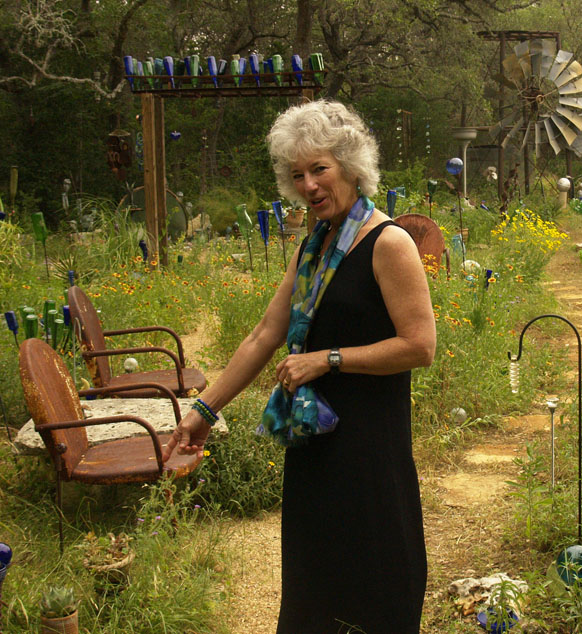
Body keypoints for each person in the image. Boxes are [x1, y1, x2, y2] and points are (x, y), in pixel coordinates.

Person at [163, 99, 436, 633]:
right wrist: (203, 409)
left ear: (351, 167)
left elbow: (419, 346)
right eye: (297, 175)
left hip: (369, 452)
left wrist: (328, 360)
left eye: (320, 169)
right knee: (315, 590)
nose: (309, 185)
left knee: (375, 585)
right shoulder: (313, 245)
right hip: (313, 445)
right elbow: (265, 334)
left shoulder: (389, 243)